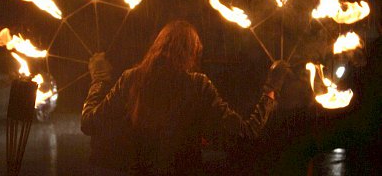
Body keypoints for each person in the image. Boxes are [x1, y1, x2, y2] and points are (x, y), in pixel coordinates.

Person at [82, 20, 289, 175]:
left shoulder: (132, 78)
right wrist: (271, 89)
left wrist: (99, 79)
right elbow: (245, 133)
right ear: (192, 52)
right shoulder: (196, 84)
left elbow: (89, 123)